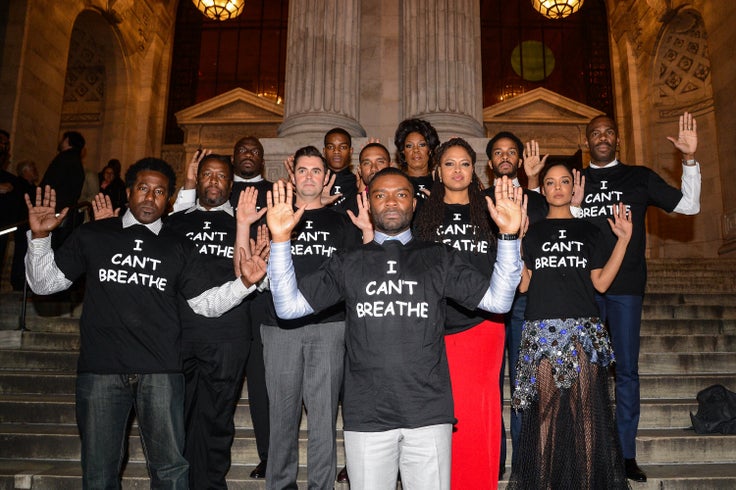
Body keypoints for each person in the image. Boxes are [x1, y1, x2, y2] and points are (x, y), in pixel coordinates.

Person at [266, 167, 523, 490]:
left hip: (428, 412)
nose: (390, 202)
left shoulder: (438, 256)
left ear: (414, 203)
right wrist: (279, 240)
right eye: (380, 195)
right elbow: (288, 308)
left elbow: (498, 302)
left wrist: (509, 237)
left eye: (401, 194)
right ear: (369, 203)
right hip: (367, 414)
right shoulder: (349, 259)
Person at [24, 157, 268, 489]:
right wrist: (39, 239)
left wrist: (244, 283)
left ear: (169, 199)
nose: (150, 197)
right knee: (99, 472)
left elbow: (206, 305)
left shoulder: (178, 244)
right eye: (143, 188)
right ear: (128, 192)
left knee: (170, 470)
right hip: (101, 372)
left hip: (161, 373)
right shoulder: (94, 234)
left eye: (159, 191)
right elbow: (43, 284)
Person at [535, 112, 700, 482]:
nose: (603, 137)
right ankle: (581, 450)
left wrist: (689, 160)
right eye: (596, 133)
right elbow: (560, 224)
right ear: (587, 139)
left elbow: (689, 206)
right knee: (578, 374)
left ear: (618, 139)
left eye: (609, 132)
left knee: (625, 372)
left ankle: (625, 454)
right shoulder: (575, 180)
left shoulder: (639, 177)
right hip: (582, 290)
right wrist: (571, 204)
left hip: (625, 287)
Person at [508, 161, 632, 489]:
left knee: (586, 413)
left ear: (573, 188)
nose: (558, 187)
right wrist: (514, 241)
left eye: (564, 181)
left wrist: (622, 240)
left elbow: (602, 283)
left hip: (583, 329)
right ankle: (547, 482)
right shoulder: (531, 231)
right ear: (543, 189)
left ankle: (590, 482)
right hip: (542, 330)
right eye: (550, 182)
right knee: (545, 414)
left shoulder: (590, 230)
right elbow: (523, 286)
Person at [252, 146, 361, 489]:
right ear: (293, 175)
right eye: (303, 170)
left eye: (317, 170)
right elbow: (257, 265)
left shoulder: (342, 222)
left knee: (323, 416)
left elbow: (352, 273)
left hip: (329, 327)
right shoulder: (275, 216)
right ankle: (280, 484)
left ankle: (321, 485)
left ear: (325, 177)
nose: (310, 176)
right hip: (279, 327)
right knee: (282, 415)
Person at [172, 137, 273, 479]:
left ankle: (211, 482)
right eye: (206, 175)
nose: (213, 181)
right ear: (196, 181)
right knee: (179, 414)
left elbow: (258, 279)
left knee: (217, 418)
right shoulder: (176, 223)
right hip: (180, 333)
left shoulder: (244, 223)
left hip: (229, 335)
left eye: (220, 176)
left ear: (230, 185)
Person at [413, 137, 506, 489]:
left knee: (479, 410)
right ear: (438, 170)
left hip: (482, 324)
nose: (457, 170)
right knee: (437, 413)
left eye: (464, 163)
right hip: (432, 326)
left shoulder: (490, 210)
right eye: (449, 163)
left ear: (474, 170)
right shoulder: (422, 215)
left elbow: (504, 265)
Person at [483, 131, 549, 476]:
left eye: (511, 152)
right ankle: (493, 461)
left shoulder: (537, 203)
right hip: (489, 306)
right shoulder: (479, 200)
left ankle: (524, 463)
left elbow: (543, 250)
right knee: (490, 386)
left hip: (526, 302)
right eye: (498, 152)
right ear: (489, 161)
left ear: (519, 160)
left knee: (524, 385)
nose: (505, 157)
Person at [40, 131, 86, 248]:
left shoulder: (63, 158)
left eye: (62, 139)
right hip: (65, 214)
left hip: (50, 212)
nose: (60, 142)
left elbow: (49, 184)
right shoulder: (78, 163)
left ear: (67, 141)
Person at [393, 118, 440, 205]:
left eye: (421, 145)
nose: (416, 150)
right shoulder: (395, 183)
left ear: (429, 150)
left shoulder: (440, 183)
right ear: (403, 151)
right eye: (409, 146)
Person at [10, 160, 39, 290]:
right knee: (21, 253)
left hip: (31, 226)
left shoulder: (33, 187)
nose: (35, 171)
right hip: (22, 225)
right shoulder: (18, 185)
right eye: (32, 168)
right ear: (25, 171)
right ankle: (18, 282)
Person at [323, 127, 359, 215]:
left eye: (343, 147)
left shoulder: (358, 183)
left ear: (350, 151)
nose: (336, 151)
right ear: (324, 151)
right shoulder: (315, 182)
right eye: (331, 147)